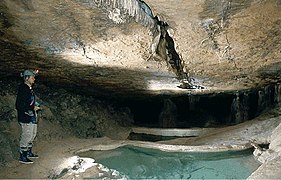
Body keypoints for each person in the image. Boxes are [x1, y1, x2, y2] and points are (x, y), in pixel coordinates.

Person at [16, 69, 40, 164]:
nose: (34, 79)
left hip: (31, 116)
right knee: (27, 135)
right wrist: (31, 108)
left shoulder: (29, 89)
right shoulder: (23, 88)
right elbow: (19, 105)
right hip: (26, 116)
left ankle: (29, 152)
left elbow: (29, 101)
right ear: (26, 78)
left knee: (32, 135)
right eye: (32, 77)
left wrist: (35, 105)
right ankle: (23, 156)